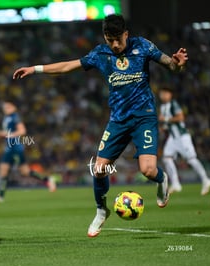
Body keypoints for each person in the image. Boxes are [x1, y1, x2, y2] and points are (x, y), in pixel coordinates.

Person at [12, 14, 188, 237]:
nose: (114, 45)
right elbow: (68, 66)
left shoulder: (143, 46)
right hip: (118, 120)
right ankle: (101, 210)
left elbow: (171, 65)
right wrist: (35, 69)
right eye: (109, 39)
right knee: (99, 169)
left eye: (118, 39)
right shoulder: (100, 53)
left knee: (148, 170)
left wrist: (178, 64)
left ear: (126, 34)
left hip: (144, 116)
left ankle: (162, 179)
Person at [0, 99, 56, 203]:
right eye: (5, 107)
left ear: (14, 107)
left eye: (8, 106)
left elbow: (22, 131)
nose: (6, 108)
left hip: (15, 148)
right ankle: (0, 196)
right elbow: (8, 131)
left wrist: (6, 134)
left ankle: (48, 180)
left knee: (25, 172)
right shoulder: (8, 118)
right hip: (9, 147)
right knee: (3, 170)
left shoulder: (15, 117)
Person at [158, 87, 210, 195]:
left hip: (182, 137)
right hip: (173, 138)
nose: (163, 95)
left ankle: (206, 179)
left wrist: (166, 120)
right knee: (166, 158)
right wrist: (162, 128)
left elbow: (181, 117)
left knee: (191, 159)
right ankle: (176, 184)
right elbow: (167, 124)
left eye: (165, 93)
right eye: (161, 93)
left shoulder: (173, 104)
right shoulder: (163, 107)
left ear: (170, 94)